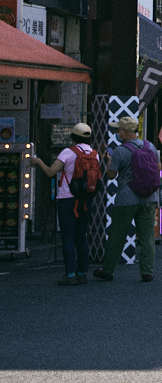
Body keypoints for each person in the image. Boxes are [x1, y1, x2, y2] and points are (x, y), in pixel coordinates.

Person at [92, 117, 162, 283]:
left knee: (117, 235)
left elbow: (111, 175)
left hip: (126, 198)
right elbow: (158, 167)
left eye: (118, 130)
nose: (117, 133)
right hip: (149, 197)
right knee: (147, 237)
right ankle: (147, 272)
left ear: (125, 132)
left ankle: (108, 270)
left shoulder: (120, 151)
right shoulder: (150, 146)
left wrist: (109, 161)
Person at [32, 122, 99, 286]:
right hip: (86, 199)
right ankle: (82, 273)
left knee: (68, 238)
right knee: (81, 237)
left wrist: (38, 162)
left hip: (67, 199)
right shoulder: (94, 154)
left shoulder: (68, 152)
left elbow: (50, 172)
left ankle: (70, 275)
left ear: (72, 137)